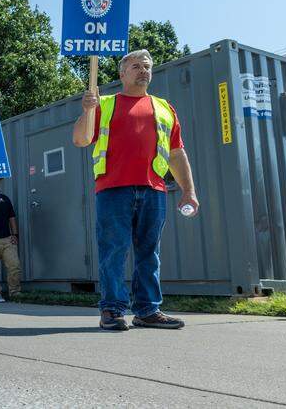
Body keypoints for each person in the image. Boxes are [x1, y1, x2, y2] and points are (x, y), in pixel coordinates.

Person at [73, 49, 199, 331]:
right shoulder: (103, 104)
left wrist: (188, 190)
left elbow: (177, 153)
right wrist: (86, 110)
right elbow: (80, 140)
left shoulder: (164, 108)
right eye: (135, 66)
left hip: (154, 189)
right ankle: (112, 310)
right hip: (112, 189)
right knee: (113, 251)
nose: (143, 70)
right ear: (122, 74)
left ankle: (147, 310)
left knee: (149, 252)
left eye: (147, 66)